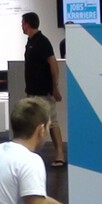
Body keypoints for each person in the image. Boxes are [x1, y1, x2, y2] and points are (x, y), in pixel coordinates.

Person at [22, 12, 66, 167]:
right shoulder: (30, 42)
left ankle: (60, 155)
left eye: (22, 23)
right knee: (35, 123)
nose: (21, 26)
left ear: (27, 24)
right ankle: (32, 154)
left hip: (43, 92)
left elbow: (54, 65)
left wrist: (55, 88)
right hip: (33, 92)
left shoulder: (42, 41)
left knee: (52, 122)